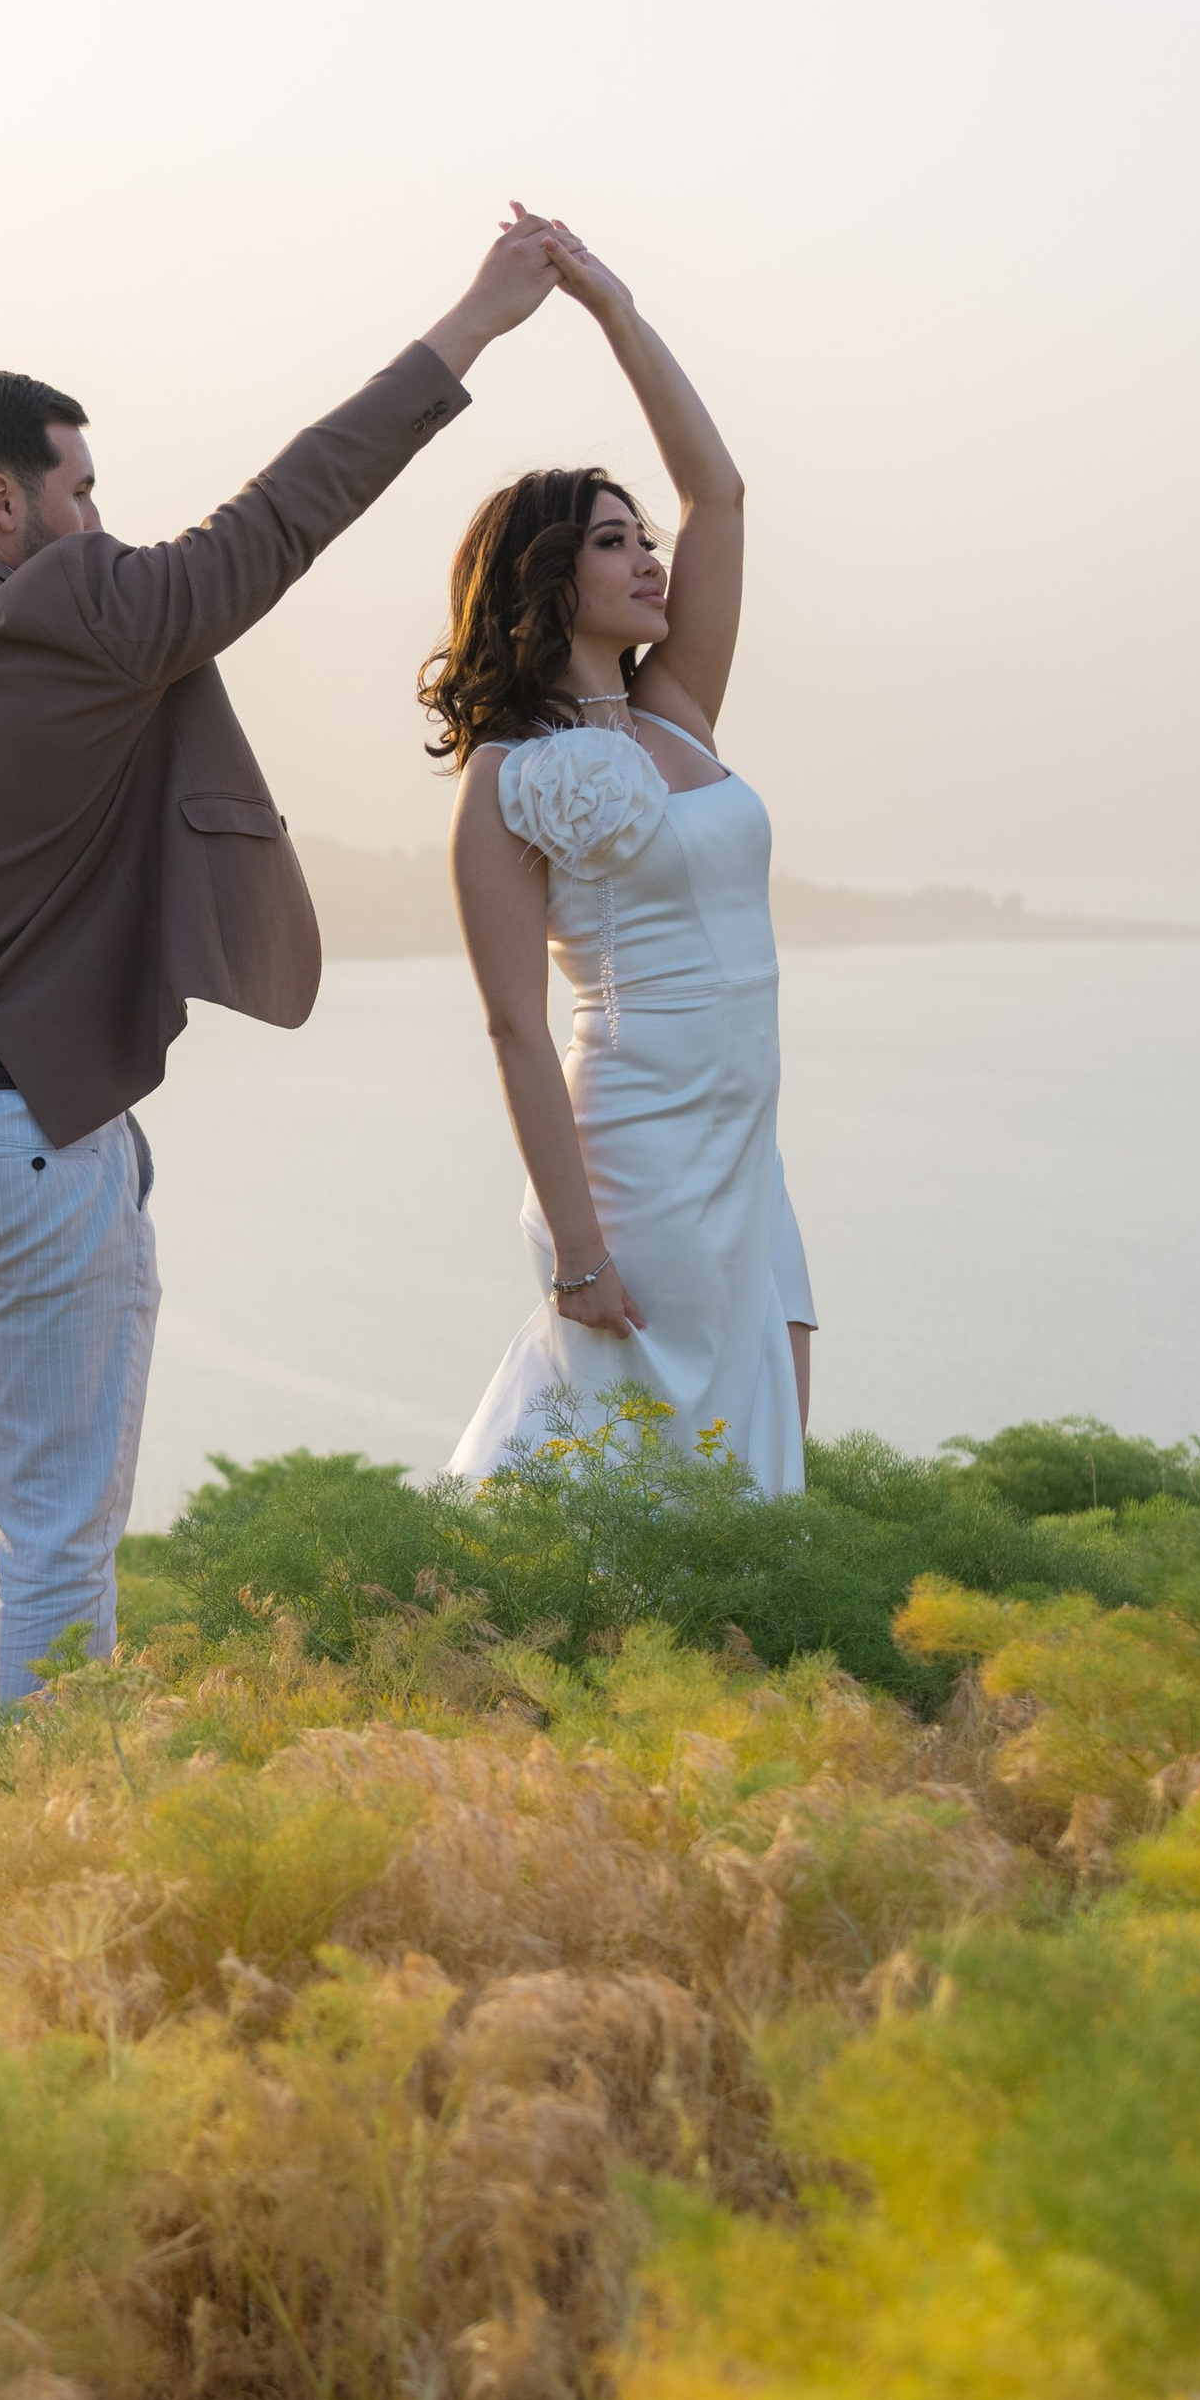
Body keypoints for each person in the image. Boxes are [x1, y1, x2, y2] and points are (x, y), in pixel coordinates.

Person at [0, 214, 563, 1730]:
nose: (102, 519)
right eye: (81, 488)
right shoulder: (93, 617)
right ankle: (49, 1852)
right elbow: (292, 507)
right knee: (56, 1537)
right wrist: (474, 326)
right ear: (1, 497)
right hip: (33, 1147)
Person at [434, 218, 815, 1497]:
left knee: (765, 1441)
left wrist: (612, 306)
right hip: (638, 1141)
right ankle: (535, 1655)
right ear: (545, 577)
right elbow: (513, 1030)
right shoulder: (505, 775)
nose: (651, 556)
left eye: (641, 537)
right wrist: (579, 1248)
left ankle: (725, 1685)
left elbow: (721, 493)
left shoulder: (676, 707)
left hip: (744, 1135)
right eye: (613, 541)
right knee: (633, 1458)